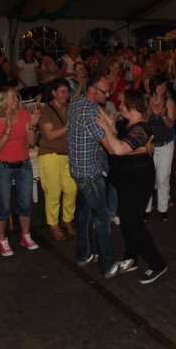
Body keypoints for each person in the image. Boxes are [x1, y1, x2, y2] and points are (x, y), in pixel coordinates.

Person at [98, 90, 167, 285]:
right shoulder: (125, 123)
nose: (119, 107)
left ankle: (158, 264)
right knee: (127, 222)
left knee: (134, 223)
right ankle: (131, 257)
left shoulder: (142, 129)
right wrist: (107, 124)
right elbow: (117, 143)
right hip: (125, 180)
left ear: (133, 108)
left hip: (138, 180)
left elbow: (118, 149)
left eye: (122, 104)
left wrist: (105, 128)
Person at [68, 74, 118, 273]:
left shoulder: (77, 102)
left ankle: (84, 253)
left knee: (83, 214)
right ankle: (106, 264)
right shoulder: (90, 111)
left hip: (78, 170)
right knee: (102, 217)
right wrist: (109, 125)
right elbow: (111, 147)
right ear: (93, 90)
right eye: (105, 91)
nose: (109, 94)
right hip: (89, 174)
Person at [0, 86, 40, 256]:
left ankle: (26, 236)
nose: (17, 100)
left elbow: (31, 143)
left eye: (16, 97)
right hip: (3, 166)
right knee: (4, 206)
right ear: (2, 100)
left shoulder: (24, 114)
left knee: (25, 204)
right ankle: (2, 240)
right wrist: (8, 129)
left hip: (23, 164)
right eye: (13, 97)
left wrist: (32, 126)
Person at [38, 79, 76, 241]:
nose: (65, 95)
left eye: (67, 92)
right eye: (62, 91)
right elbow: (50, 135)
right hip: (50, 155)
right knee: (53, 192)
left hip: (68, 155)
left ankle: (67, 219)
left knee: (72, 189)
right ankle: (53, 225)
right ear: (53, 93)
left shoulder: (70, 109)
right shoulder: (46, 110)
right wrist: (68, 126)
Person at [146, 75, 176, 221]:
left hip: (165, 144)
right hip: (150, 145)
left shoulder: (169, 102)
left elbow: (171, 124)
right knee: (148, 178)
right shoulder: (147, 100)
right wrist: (150, 109)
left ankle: (163, 209)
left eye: (164, 86)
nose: (163, 88)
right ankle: (146, 208)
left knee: (162, 178)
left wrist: (164, 116)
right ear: (154, 86)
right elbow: (143, 120)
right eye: (160, 85)